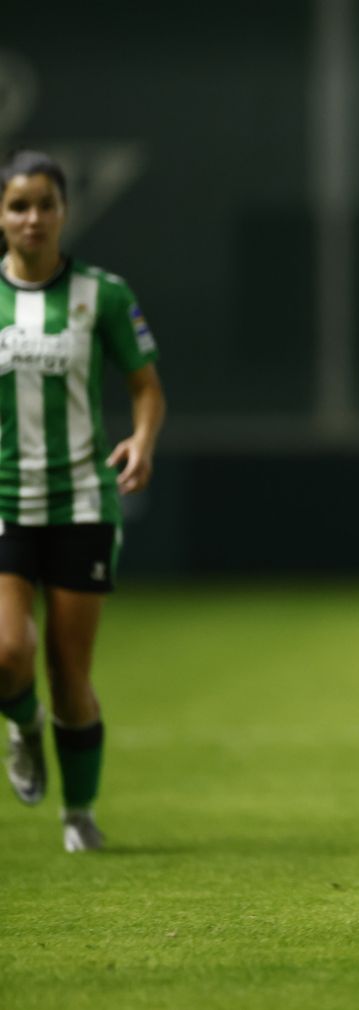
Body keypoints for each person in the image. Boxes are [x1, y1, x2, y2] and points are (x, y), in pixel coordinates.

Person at [0, 150, 166, 852]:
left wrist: (143, 440)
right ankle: (23, 724)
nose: (32, 217)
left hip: (82, 504)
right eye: (18, 205)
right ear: (1, 216)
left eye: (45, 203)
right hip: (7, 501)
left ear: (65, 212)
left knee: (72, 675)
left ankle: (80, 815)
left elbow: (145, 387)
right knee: (7, 652)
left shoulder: (104, 294)